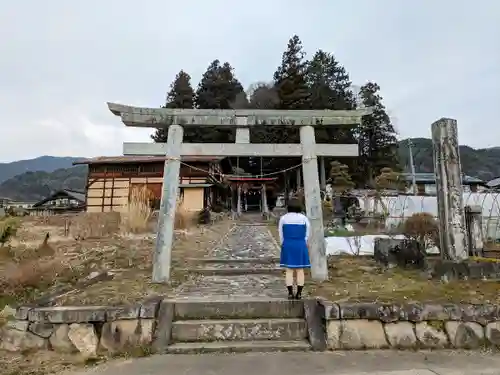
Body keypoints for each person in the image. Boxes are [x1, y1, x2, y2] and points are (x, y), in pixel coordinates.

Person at [278, 199, 311, 300]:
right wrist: (304, 241)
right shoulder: (304, 218)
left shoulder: (283, 218)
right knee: (300, 270)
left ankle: (290, 293)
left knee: (289, 270)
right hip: (300, 243)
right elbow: (307, 233)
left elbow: (280, 234)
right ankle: (299, 293)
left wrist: (283, 243)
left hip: (288, 243)